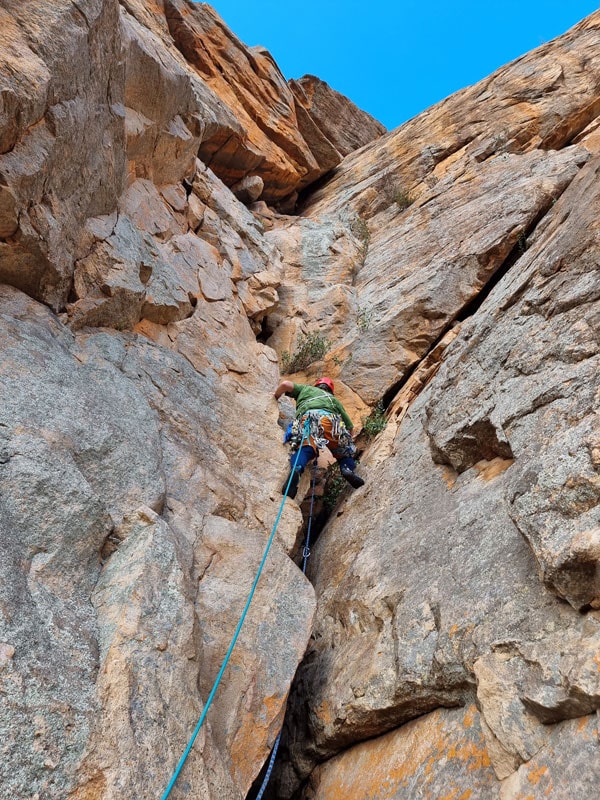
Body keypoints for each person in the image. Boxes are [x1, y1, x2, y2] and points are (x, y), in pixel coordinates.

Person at [274, 377, 365, 499]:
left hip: (308, 419)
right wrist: (345, 442)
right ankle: (346, 468)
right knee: (343, 452)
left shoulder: (305, 389)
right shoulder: (333, 400)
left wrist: (275, 396)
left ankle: (297, 468)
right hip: (331, 422)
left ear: (316, 385)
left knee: (306, 448)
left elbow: (285, 384)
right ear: (330, 390)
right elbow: (349, 427)